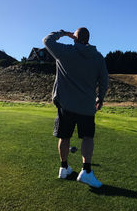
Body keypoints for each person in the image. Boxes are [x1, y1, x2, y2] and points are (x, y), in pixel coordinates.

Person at [43, 27, 108, 188]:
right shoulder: (98, 57)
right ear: (88, 38)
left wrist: (63, 33)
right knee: (87, 138)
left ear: (75, 38)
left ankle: (64, 168)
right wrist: (100, 98)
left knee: (64, 137)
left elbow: (47, 40)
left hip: (66, 105)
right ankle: (86, 172)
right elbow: (104, 81)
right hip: (86, 106)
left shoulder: (66, 51)